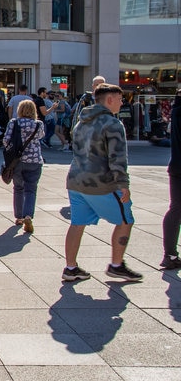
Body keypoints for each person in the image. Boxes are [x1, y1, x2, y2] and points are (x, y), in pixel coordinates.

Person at [63, 83, 143, 282]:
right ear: (109, 99)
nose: (122, 102)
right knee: (126, 220)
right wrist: (123, 184)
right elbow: (118, 157)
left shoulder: (81, 122)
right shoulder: (113, 124)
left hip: (76, 180)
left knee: (77, 223)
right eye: (119, 98)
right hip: (101, 183)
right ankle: (117, 264)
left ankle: (70, 267)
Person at [6, 100, 44, 233]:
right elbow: (40, 137)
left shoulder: (14, 122)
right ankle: (28, 215)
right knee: (31, 190)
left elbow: (6, 140)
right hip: (34, 160)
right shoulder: (38, 124)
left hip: (17, 161)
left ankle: (19, 217)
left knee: (18, 188)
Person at [162, 91, 181, 270]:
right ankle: (170, 254)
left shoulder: (177, 109)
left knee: (176, 209)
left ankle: (170, 254)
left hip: (176, 165)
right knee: (176, 209)